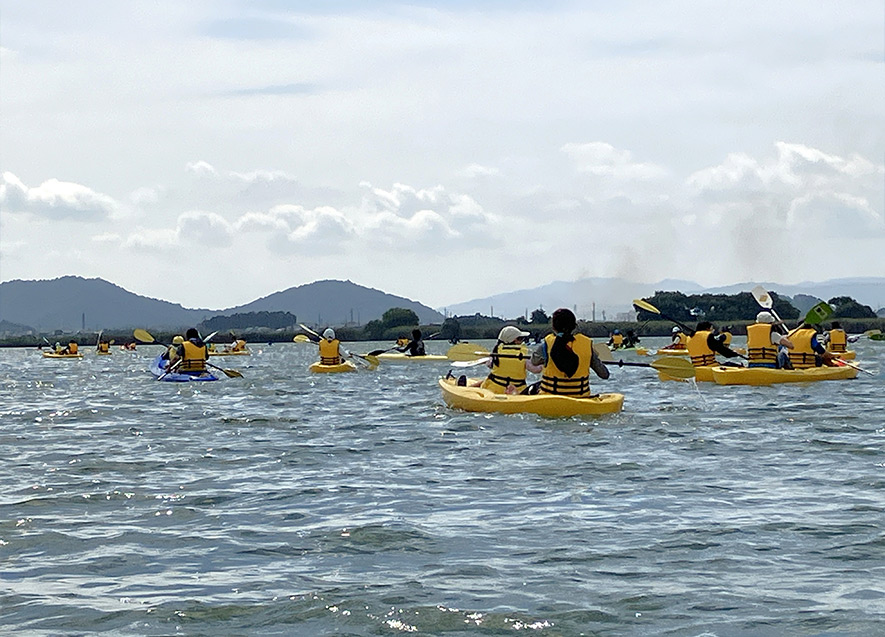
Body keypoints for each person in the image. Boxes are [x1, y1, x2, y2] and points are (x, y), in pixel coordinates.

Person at [529, 308, 609, 396]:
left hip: (550, 397)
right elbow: (604, 374)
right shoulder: (586, 345)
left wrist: (547, 359)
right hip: (580, 398)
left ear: (554, 327)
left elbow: (534, 362)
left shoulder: (547, 344)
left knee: (532, 388)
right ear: (574, 326)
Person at [471, 325, 543, 394]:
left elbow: (490, 364)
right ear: (515, 340)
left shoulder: (497, 352)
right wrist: (544, 364)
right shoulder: (523, 355)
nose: (522, 341)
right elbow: (536, 370)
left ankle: (469, 387)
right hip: (517, 390)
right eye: (520, 339)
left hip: (494, 389)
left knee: (487, 379)